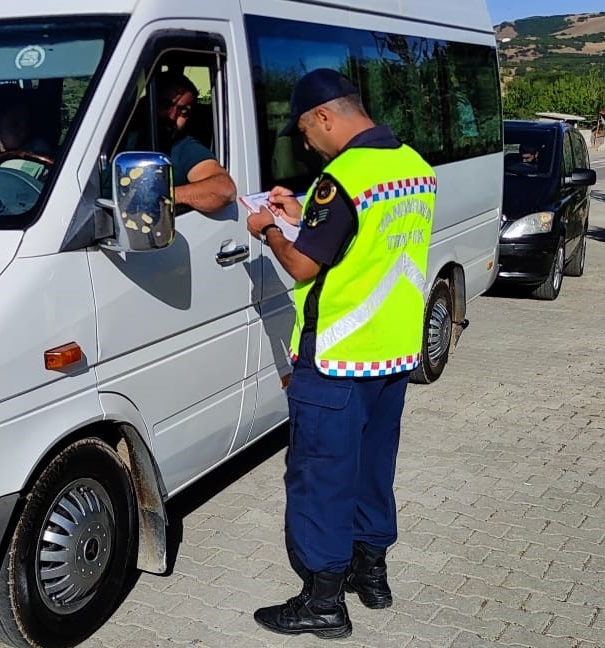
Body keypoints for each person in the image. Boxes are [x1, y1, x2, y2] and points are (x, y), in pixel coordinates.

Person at [245, 68, 437, 640]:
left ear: (326, 117)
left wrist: (270, 231)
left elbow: (305, 265)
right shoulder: (413, 166)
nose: (307, 145)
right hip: (393, 352)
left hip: (337, 356)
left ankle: (323, 603)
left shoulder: (342, 176)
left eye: (306, 133)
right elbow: (370, 242)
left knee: (320, 476)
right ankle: (372, 576)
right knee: (374, 469)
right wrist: (307, 217)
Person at [146, 70, 235, 213]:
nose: (172, 116)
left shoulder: (184, 147)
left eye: (183, 112)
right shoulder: (119, 137)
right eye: (165, 104)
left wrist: (161, 195)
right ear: (147, 102)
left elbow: (224, 190)